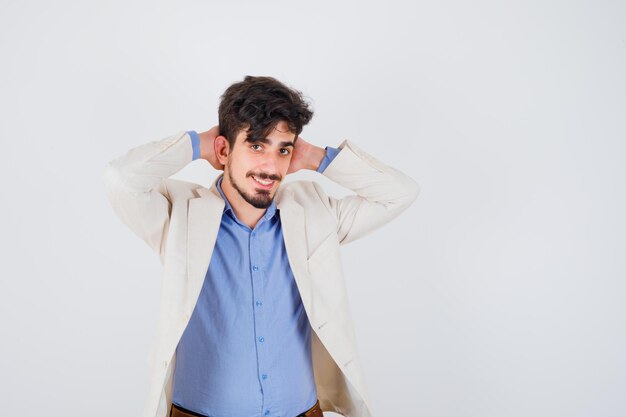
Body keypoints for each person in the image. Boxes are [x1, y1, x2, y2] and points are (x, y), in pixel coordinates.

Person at [102, 75, 419, 417]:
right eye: (256, 145)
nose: (271, 166)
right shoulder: (179, 214)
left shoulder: (314, 213)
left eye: (282, 149)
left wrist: (315, 157)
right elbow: (121, 181)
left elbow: (400, 193)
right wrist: (198, 145)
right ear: (224, 150)